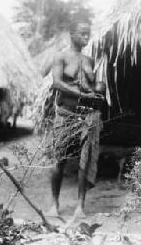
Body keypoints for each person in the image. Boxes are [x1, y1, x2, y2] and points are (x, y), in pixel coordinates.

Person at [47, 21, 105, 218]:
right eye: (82, 34)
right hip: (65, 114)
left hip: (86, 117)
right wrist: (82, 95)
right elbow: (57, 83)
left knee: (85, 161)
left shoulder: (90, 59)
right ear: (72, 34)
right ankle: (54, 204)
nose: (86, 38)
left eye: (88, 34)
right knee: (59, 160)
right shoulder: (61, 57)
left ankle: (80, 206)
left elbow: (94, 85)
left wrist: (98, 90)